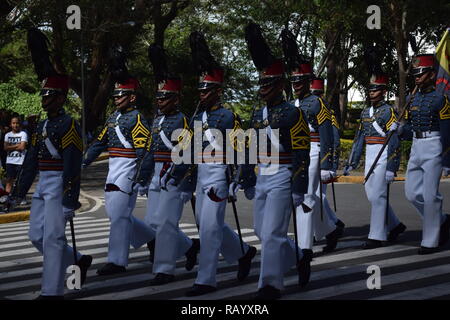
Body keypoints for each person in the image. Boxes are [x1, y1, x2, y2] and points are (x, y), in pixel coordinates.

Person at [168, 31, 257, 297]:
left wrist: (240, 181)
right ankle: (243, 253)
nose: (201, 94)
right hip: (201, 176)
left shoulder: (229, 117)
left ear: (218, 92)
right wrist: (180, 179)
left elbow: (243, 151)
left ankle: (206, 279)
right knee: (207, 225)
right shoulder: (197, 117)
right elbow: (189, 151)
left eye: (206, 90)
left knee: (208, 230)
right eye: (200, 90)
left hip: (219, 175)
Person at [239, 24, 310, 300]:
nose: (263, 89)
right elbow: (249, 149)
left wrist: (298, 186)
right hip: (263, 174)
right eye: (261, 83)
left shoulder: (292, 114)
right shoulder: (258, 115)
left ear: (280, 85)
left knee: (271, 234)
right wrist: (246, 177)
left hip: (282, 174)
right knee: (261, 230)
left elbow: (301, 152)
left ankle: (270, 284)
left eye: (268, 84)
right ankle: (299, 256)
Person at [16, 74, 92, 299]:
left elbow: (72, 165)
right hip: (43, 183)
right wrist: (18, 192)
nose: (44, 99)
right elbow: (31, 161)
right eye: (43, 94)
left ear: (61, 98)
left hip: (59, 184)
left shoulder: (69, 124)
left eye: (49, 95)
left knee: (53, 239)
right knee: (36, 235)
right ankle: (78, 260)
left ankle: (52, 292)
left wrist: (70, 200)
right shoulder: (42, 125)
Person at [83, 72, 156, 275]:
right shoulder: (113, 117)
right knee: (116, 214)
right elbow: (99, 142)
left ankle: (117, 261)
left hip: (128, 170)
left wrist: (142, 177)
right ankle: (153, 239)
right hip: (113, 169)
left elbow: (144, 152)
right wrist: (84, 160)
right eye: (115, 96)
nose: (116, 99)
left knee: (119, 217)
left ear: (132, 97)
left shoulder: (137, 118)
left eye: (121, 95)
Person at [280, 29, 342, 257]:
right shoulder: (290, 103)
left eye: (300, 80)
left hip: (313, 152)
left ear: (308, 81)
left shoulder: (317, 103)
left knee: (305, 197)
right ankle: (330, 229)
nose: (296, 84)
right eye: (293, 80)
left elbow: (327, 136)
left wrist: (328, 165)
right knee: (307, 196)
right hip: (294, 154)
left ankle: (304, 248)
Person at [145, 43, 200, 285]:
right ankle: (189, 247)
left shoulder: (183, 121)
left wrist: (185, 182)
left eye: (165, 97)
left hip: (174, 174)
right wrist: (142, 178)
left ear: (176, 98)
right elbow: (150, 151)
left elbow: (188, 155)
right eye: (158, 97)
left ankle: (165, 269)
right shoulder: (157, 121)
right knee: (153, 223)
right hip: (157, 174)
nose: (160, 101)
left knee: (167, 222)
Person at [344, 73, 406, 248]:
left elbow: (394, 141)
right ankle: (395, 225)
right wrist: (352, 163)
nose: (371, 93)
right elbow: (359, 139)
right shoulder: (365, 112)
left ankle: (377, 236)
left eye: (376, 89)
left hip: (383, 154)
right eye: (370, 89)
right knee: (371, 194)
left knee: (378, 195)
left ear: (383, 92)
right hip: (371, 154)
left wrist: (391, 167)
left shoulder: (388, 112)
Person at [398, 54, 450, 254]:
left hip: (434, 146)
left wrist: (446, 159)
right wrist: (402, 129)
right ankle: (442, 220)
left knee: (430, 196)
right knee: (411, 193)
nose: (417, 78)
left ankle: (430, 241)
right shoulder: (413, 98)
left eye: (421, 74)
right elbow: (412, 127)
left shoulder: (441, 100)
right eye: (415, 74)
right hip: (417, 146)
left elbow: (447, 131)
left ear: (431, 74)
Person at [310, 78, 346, 249]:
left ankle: (327, 228)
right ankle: (331, 225)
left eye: (317, 94)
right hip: (306, 154)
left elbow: (334, 140)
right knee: (313, 197)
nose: (314, 97)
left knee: (315, 197)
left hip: (319, 156)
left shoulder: (327, 112)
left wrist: (330, 166)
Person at [3, 117, 28, 195]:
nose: (15, 125)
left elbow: (22, 147)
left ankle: (19, 197)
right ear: (10, 124)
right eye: (13, 123)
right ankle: (7, 198)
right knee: (9, 181)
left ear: (19, 124)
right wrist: (17, 145)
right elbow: (5, 148)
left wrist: (11, 147)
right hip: (10, 161)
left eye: (17, 123)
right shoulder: (7, 135)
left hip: (20, 161)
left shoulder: (23, 134)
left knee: (20, 181)